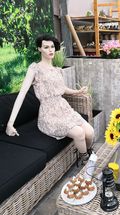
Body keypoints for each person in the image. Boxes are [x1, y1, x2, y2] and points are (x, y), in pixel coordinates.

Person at [6, 35, 94, 165]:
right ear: (39, 49)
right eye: (46, 47)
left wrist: (77, 91)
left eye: (52, 47)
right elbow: (22, 94)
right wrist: (10, 123)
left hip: (64, 109)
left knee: (90, 132)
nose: (50, 50)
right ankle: (85, 160)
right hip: (48, 114)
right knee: (79, 133)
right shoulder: (35, 69)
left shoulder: (57, 70)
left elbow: (61, 89)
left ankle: (88, 153)